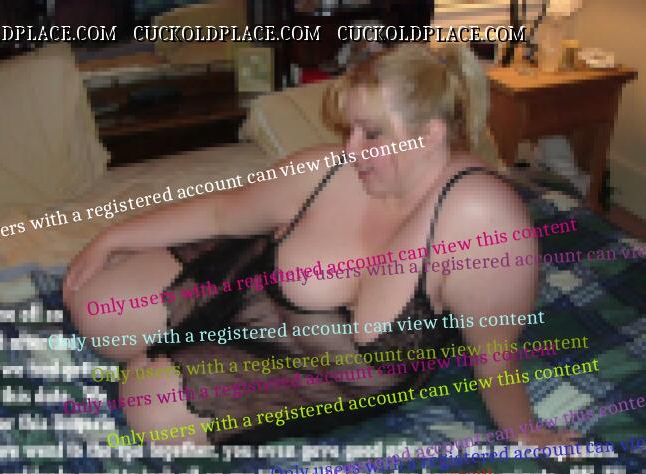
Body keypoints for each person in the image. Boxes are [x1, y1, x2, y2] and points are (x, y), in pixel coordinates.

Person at [64, 43, 577, 447]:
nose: (351, 149)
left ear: (429, 136)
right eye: (351, 130)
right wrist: (113, 236)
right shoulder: (330, 169)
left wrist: (526, 433)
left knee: (151, 413)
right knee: (94, 306)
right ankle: (177, 331)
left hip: (312, 369)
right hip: (249, 285)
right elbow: (223, 211)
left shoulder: (480, 217)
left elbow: (496, 356)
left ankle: (174, 354)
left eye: (370, 133)